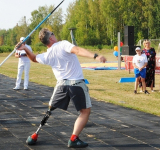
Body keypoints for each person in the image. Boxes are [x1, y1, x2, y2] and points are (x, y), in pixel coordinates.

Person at [16, 28, 106, 148]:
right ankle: (73, 139)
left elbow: (33, 58)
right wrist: (95, 56)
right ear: (51, 38)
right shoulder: (63, 44)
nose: (54, 34)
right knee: (85, 112)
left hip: (61, 86)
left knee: (50, 109)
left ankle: (35, 134)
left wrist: (25, 48)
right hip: (76, 84)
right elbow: (77, 50)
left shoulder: (47, 55)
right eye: (53, 33)